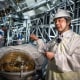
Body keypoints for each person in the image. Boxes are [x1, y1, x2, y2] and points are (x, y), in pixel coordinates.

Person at [30, 8, 80, 80]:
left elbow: (77, 62)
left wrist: (55, 58)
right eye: (55, 21)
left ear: (68, 22)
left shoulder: (77, 40)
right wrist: (37, 39)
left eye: (60, 20)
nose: (56, 23)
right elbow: (45, 49)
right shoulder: (55, 40)